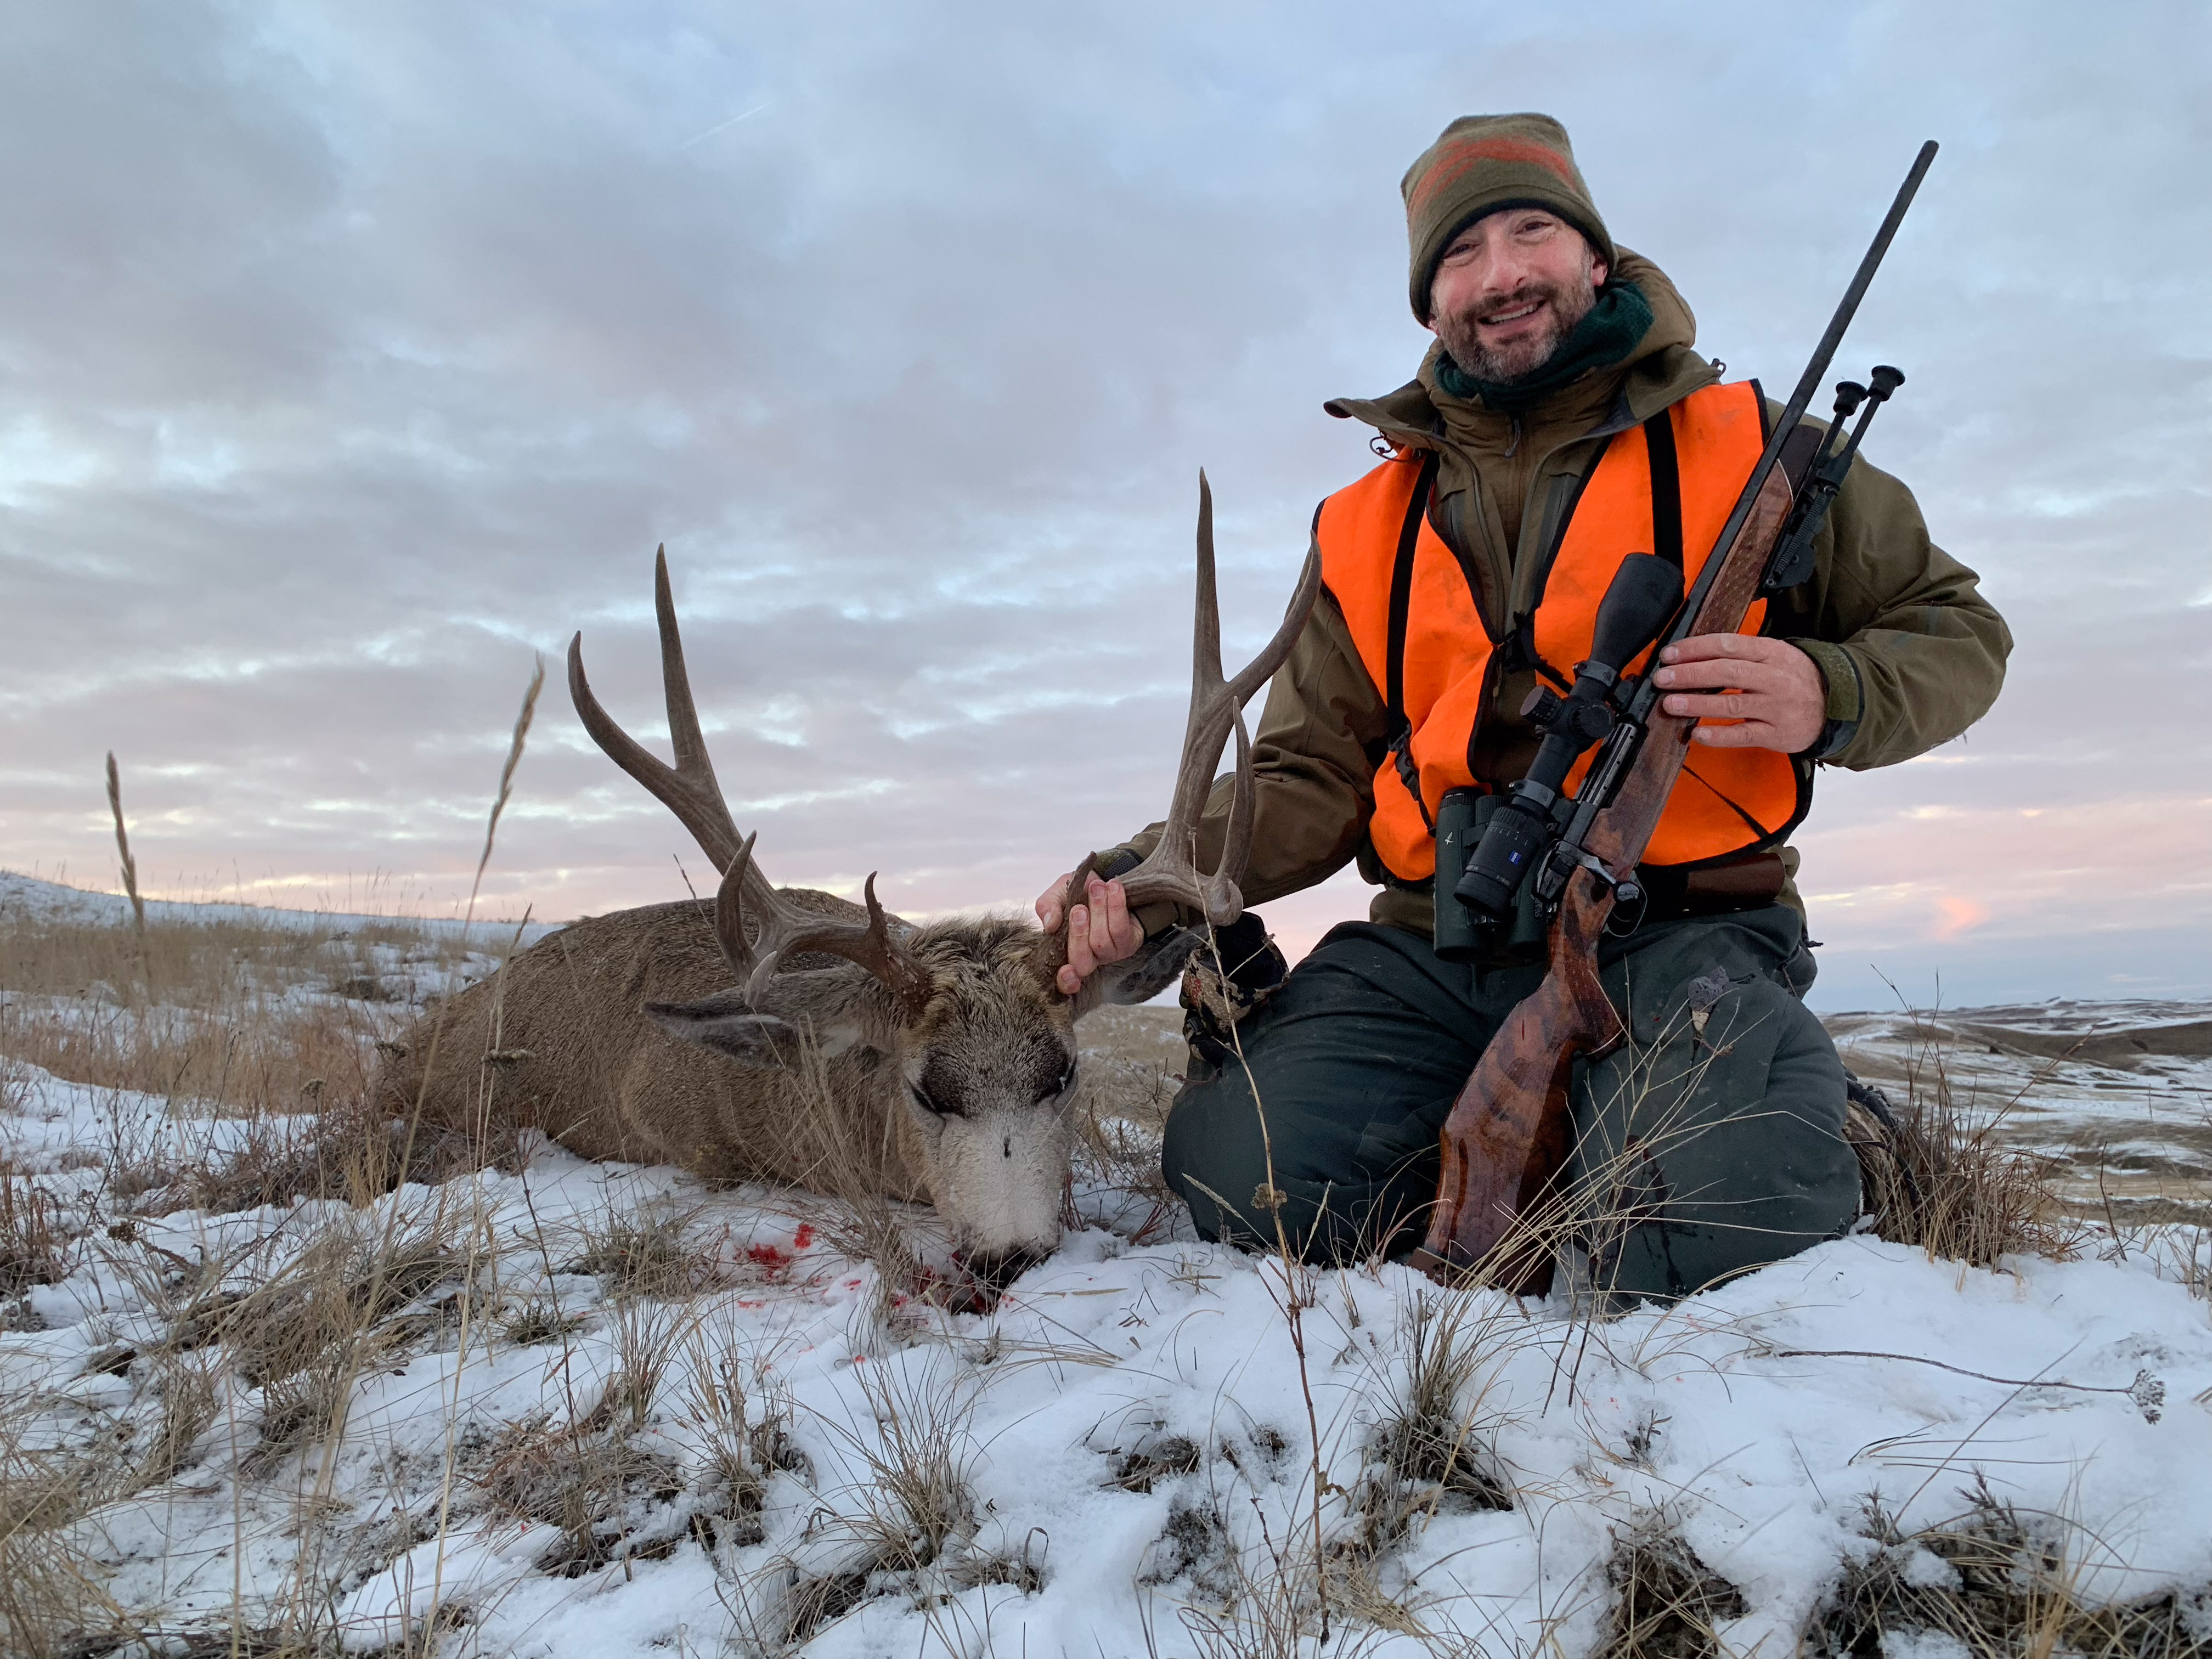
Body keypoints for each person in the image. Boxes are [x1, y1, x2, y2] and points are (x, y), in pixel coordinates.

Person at [1037, 114, 2009, 1302]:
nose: (1501, 276)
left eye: (1532, 231)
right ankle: (1540, 1139)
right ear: (1429, 299)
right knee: (1250, 1178)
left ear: (1593, 258)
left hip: (1682, 928)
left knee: (1709, 1214)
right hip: (1430, 945)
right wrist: (1143, 879)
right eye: (1463, 253)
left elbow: (1961, 633)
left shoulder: (1765, 451)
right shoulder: (1364, 523)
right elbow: (1304, 781)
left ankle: (1718, 1105)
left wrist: (1834, 691)